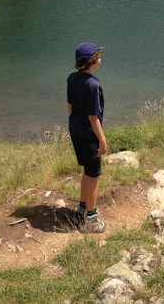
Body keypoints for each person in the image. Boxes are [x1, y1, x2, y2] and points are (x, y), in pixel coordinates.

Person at [67, 41, 108, 233]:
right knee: (94, 175)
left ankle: (81, 209)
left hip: (75, 129)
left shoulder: (72, 78)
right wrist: (101, 139)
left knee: (87, 171)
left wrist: (75, 123)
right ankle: (90, 218)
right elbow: (93, 116)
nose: (100, 59)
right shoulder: (93, 84)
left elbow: (70, 107)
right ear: (92, 61)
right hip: (89, 135)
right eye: (98, 56)